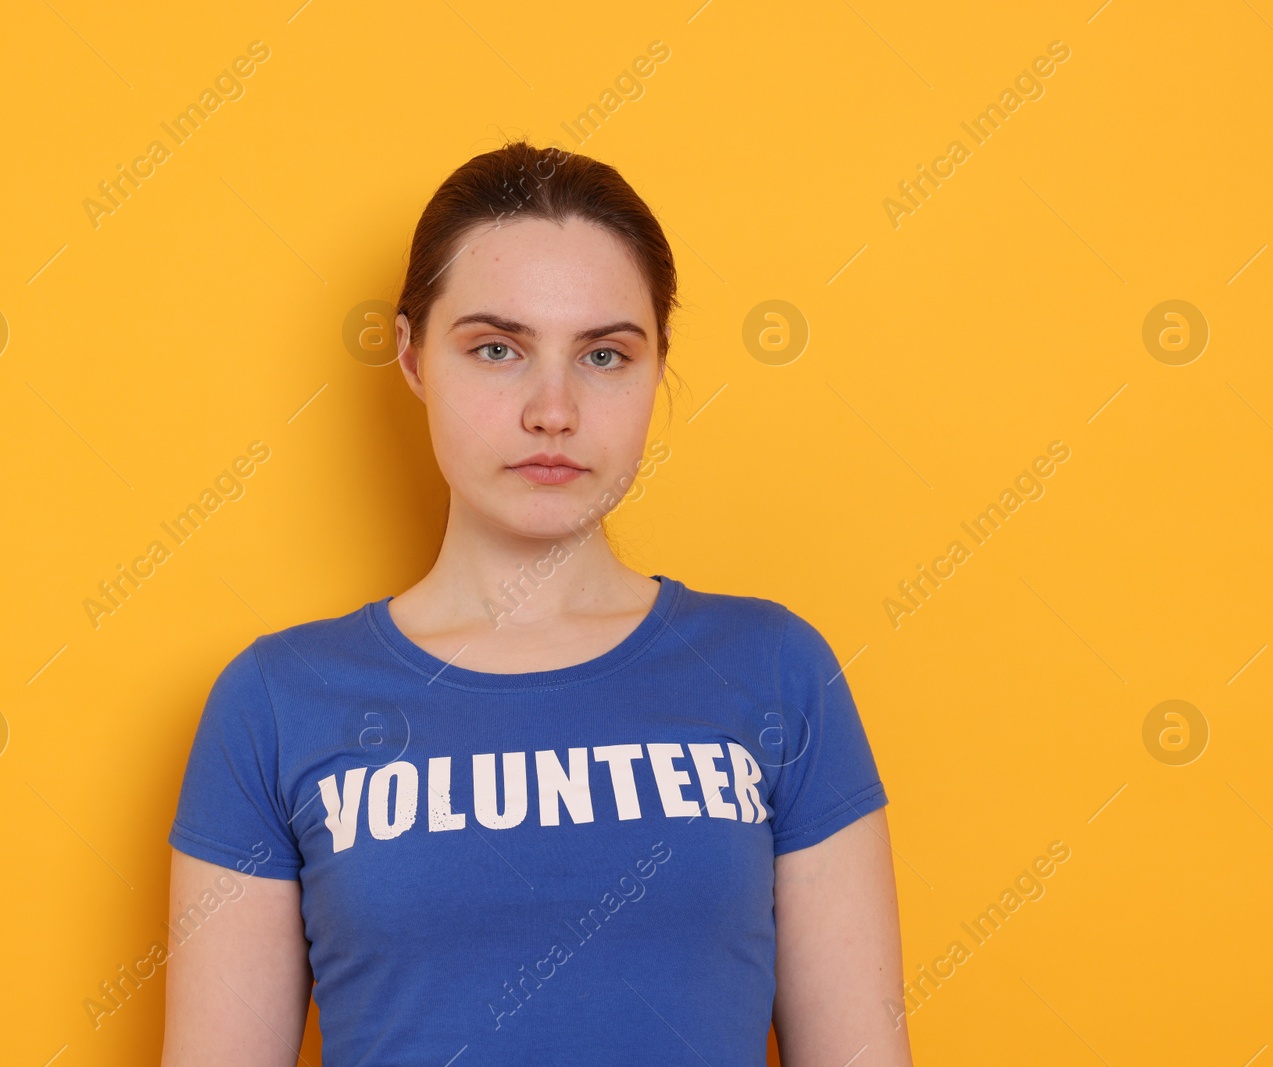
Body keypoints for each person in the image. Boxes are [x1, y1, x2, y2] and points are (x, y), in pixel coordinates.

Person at [161, 139, 912, 1066]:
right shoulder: (274, 703)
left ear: (657, 366)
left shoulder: (777, 670)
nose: (551, 410)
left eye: (603, 354)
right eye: (496, 348)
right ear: (411, 357)